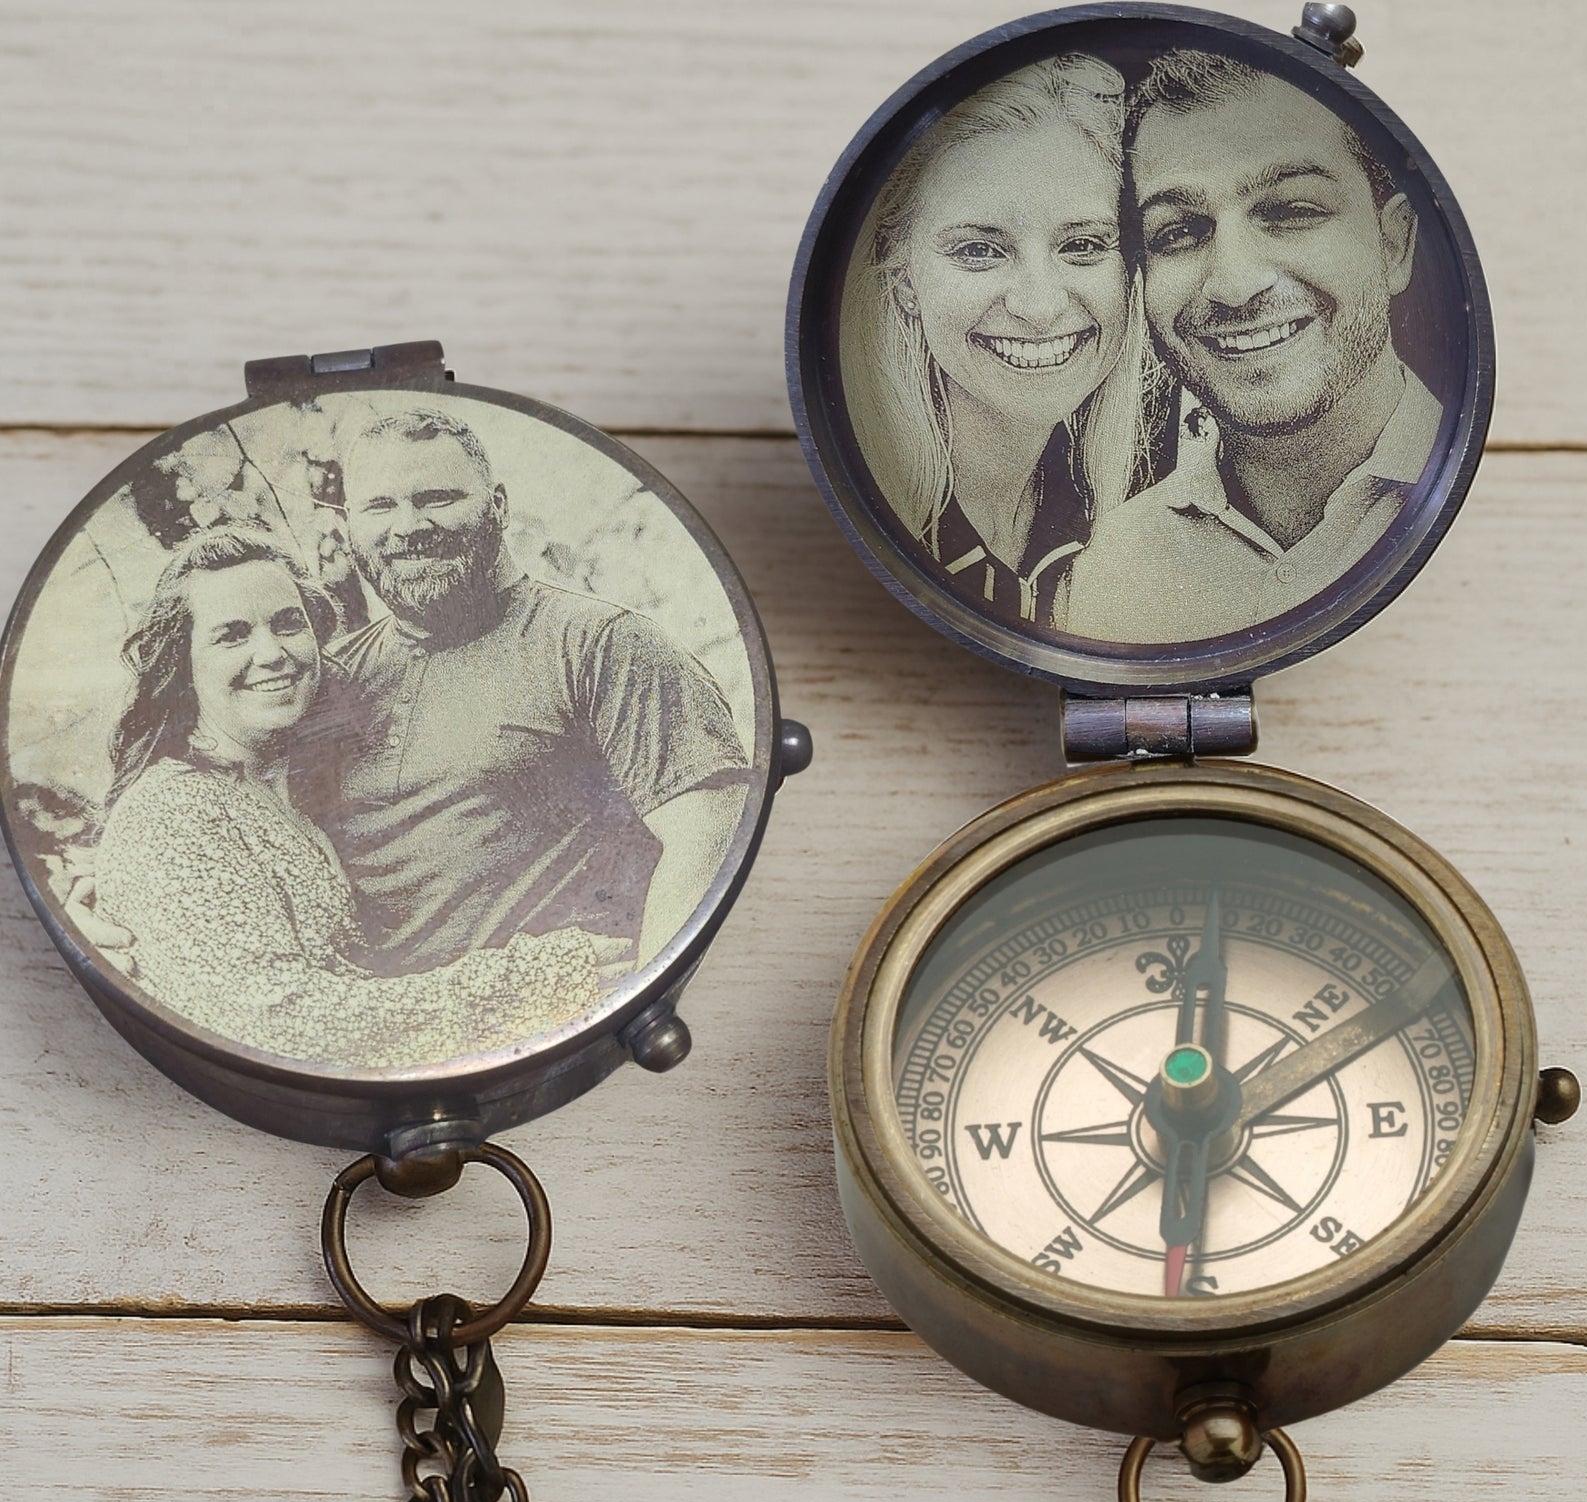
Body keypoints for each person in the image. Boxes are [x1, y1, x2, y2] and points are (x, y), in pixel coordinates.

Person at [93, 529, 604, 1072]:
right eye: (231, 636)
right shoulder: (174, 814)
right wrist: (537, 977)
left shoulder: (289, 791)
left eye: (288, 624)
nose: (272, 654)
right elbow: (281, 1023)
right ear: (182, 666)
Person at [324, 406, 750, 976]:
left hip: (546, 1021)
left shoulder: (600, 644)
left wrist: (635, 1007)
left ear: (497, 505)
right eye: (380, 506)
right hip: (382, 1034)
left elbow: (706, 842)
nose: (407, 528)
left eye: (437, 498)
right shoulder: (331, 677)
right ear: (349, 524)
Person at [1066, 49, 1444, 644]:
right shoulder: (1115, 567)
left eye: (1291, 210)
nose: (1235, 285)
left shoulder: (1489, 521)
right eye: (1180, 231)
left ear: (1393, 244)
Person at [840, 53, 1158, 628]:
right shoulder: (871, 518)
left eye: (1083, 245)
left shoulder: (1130, 520)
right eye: (979, 250)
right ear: (904, 276)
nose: (1039, 308)